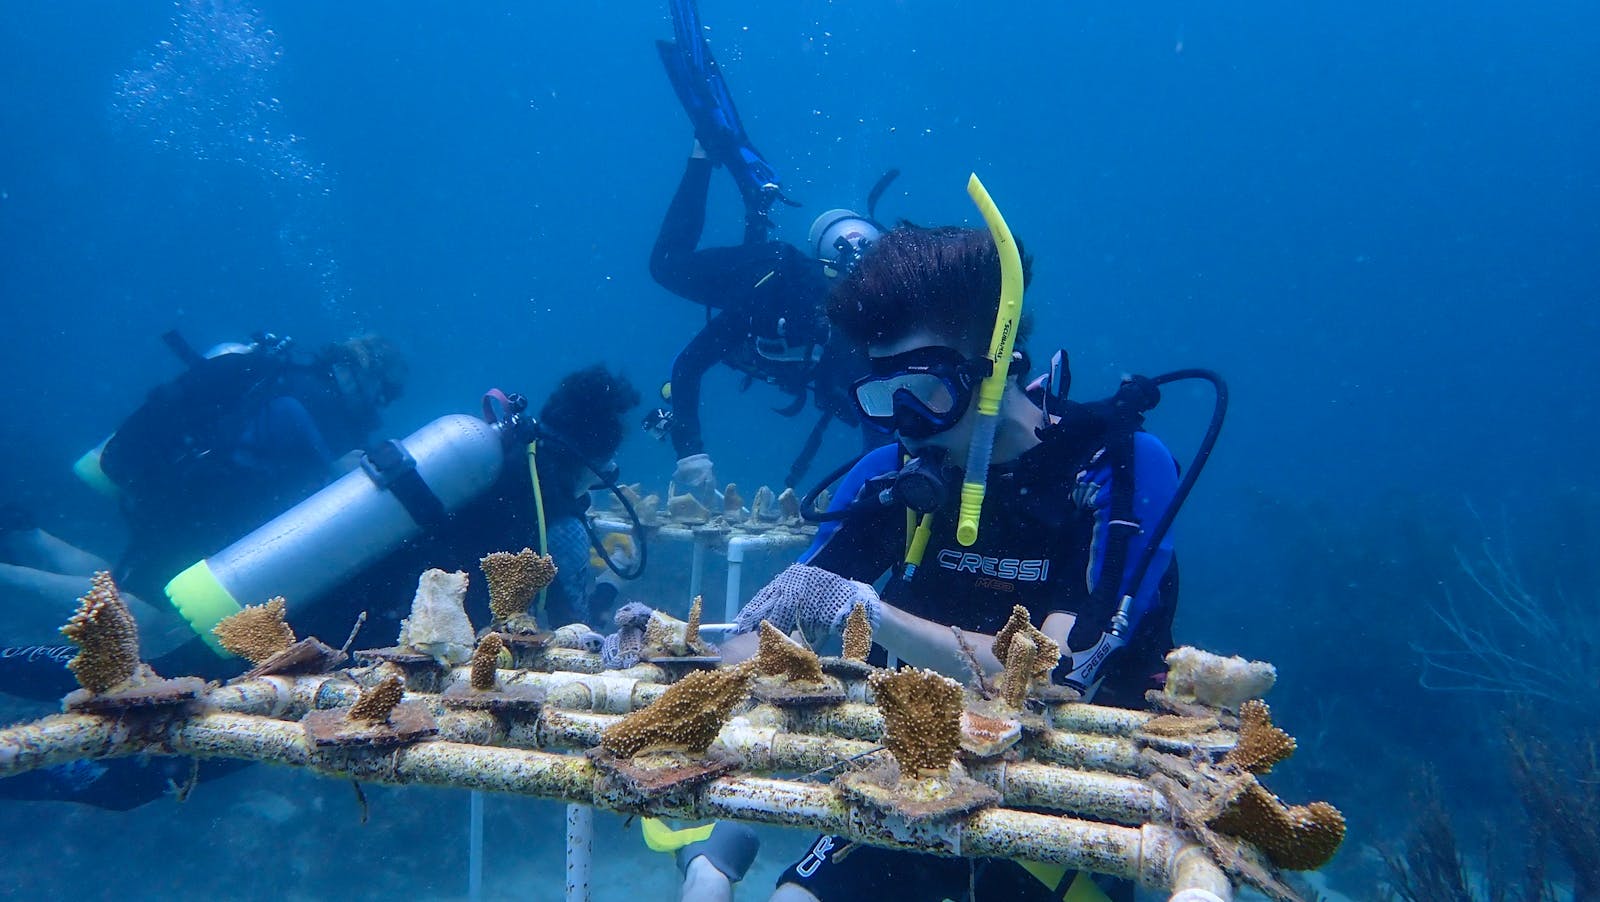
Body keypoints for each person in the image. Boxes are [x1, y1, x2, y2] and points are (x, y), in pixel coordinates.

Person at [712, 220, 1188, 902]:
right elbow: (772, 625)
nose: (903, 419)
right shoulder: (891, 474)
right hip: (916, 772)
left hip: (1069, 793)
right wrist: (689, 654)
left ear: (993, 361)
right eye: (880, 397)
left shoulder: (1117, 467)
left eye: (925, 391)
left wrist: (866, 611)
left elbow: (1055, 674)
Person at [0, 364, 643, 810]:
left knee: (149, 684)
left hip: (305, 613)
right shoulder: (527, 498)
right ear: (582, 454)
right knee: (161, 742)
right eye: (597, 470)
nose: (589, 489)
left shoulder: (491, 461)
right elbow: (543, 613)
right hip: (324, 647)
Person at [0, 331, 407, 657]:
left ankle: (24, 536)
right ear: (370, 373)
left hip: (185, 497)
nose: (380, 406)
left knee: (122, 584)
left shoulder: (295, 378)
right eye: (385, 393)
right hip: (195, 506)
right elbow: (308, 466)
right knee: (141, 615)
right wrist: (337, 468)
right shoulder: (313, 398)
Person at [650, 0, 885, 498]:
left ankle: (754, 202)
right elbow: (690, 363)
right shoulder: (777, 295)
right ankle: (704, 154)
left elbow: (876, 413)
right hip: (764, 272)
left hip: (772, 287)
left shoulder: (861, 342)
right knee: (665, 267)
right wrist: (690, 451)